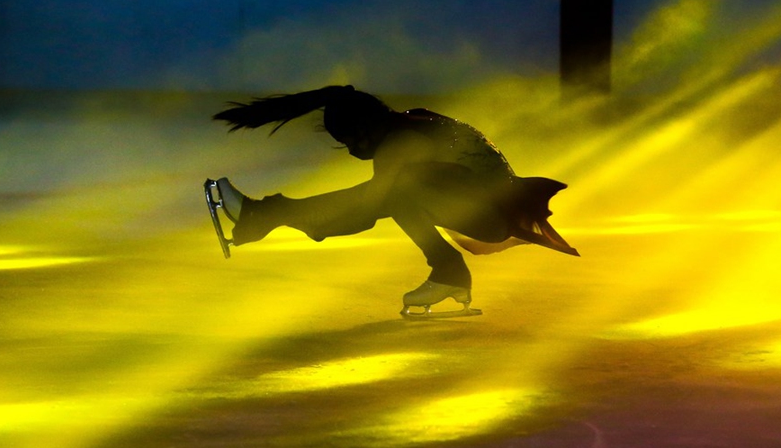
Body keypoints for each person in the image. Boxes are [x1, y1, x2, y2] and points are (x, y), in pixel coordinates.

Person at [204, 85, 578, 319]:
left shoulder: (400, 144)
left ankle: (260, 215)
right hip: (485, 207)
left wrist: (284, 215)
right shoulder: (407, 124)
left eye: (349, 141)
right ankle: (449, 273)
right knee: (396, 192)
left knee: (395, 192)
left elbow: (367, 209)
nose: (351, 151)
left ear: (364, 129)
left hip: (491, 215)